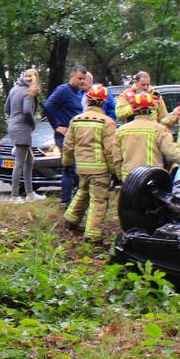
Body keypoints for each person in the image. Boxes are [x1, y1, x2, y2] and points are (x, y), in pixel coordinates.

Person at [62, 84, 122, 242]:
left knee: (82, 192)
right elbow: (110, 151)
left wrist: (67, 162)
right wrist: (115, 171)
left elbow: (68, 145)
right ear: (103, 103)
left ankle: (70, 219)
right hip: (99, 170)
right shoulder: (107, 122)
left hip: (81, 167)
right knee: (98, 200)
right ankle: (92, 235)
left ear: (87, 101)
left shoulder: (76, 120)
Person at [117, 91, 180, 177]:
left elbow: (116, 158)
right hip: (152, 179)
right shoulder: (159, 130)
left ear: (133, 110)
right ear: (152, 109)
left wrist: (119, 175)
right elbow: (172, 153)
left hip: (129, 179)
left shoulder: (121, 131)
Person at [45, 64, 89, 208]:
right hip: (65, 135)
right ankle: (65, 201)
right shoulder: (63, 90)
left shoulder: (80, 93)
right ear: (72, 77)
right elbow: (48, 106)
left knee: (78, 167)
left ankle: (77, 198)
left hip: (78, 135)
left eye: (84, 79)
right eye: (79, 78)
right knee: (69, 167)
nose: (82, 81)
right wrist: (57, 126)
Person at [4, 68, 44, 203]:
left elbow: (6, 109)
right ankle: (14, 196)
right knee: (19, 163)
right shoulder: (29, 92)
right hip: (23, 128)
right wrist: (32, 124)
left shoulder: (14, 89)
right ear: (36, 79)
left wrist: (15, 119)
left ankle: (30, 194)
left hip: (13, 126)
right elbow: (27, 111)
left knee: (29, 160)